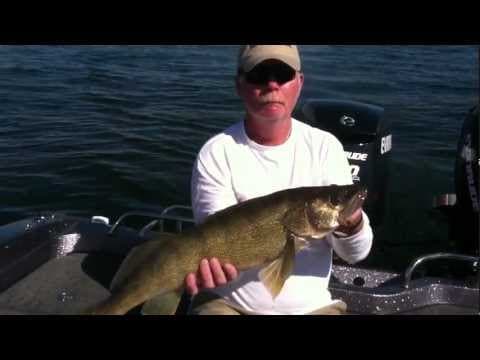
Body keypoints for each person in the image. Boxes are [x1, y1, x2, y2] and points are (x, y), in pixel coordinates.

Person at [185, 45, 373, 315]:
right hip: (228, 305)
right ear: (239, 85)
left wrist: (352, 224)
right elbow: (214, 241)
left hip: (314, 309)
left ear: (298, 83)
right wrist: (208, 269)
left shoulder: (324, 147)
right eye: (259, 75)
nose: (272, 85)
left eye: (282, 74)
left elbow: (355, 254)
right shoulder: (217, 152)